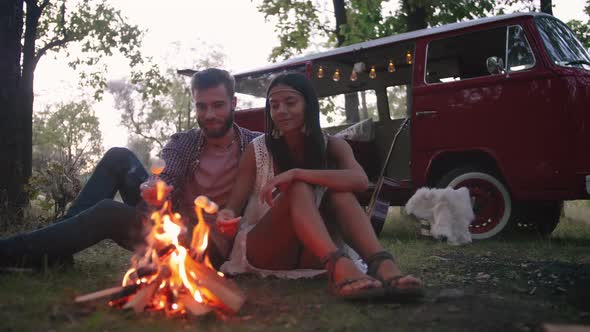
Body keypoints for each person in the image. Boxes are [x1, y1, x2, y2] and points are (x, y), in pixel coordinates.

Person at [0, 68, 260, 269]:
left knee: (108, 212)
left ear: (234, 103)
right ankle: (57, 249)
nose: (209, 114)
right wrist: (153, 188)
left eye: (217, 105)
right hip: (171, 225)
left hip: (206, 244)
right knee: (118, 156)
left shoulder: (255, 145)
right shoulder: (186, 141)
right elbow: (165, 174)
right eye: (201, 106)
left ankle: (14, 251)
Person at [215, 73, 423, 300]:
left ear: (309, 105)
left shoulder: (334, 146)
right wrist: (226, 216)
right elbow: (233, 206)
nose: (281, 111)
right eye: (274, 106)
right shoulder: (257, 150)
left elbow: (360, 180)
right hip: (266, 249)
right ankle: (340, 268)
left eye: (290, 103)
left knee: (338, 193)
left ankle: (382, 264)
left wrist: (297, 172)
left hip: (315, 253)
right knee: (297, 188)